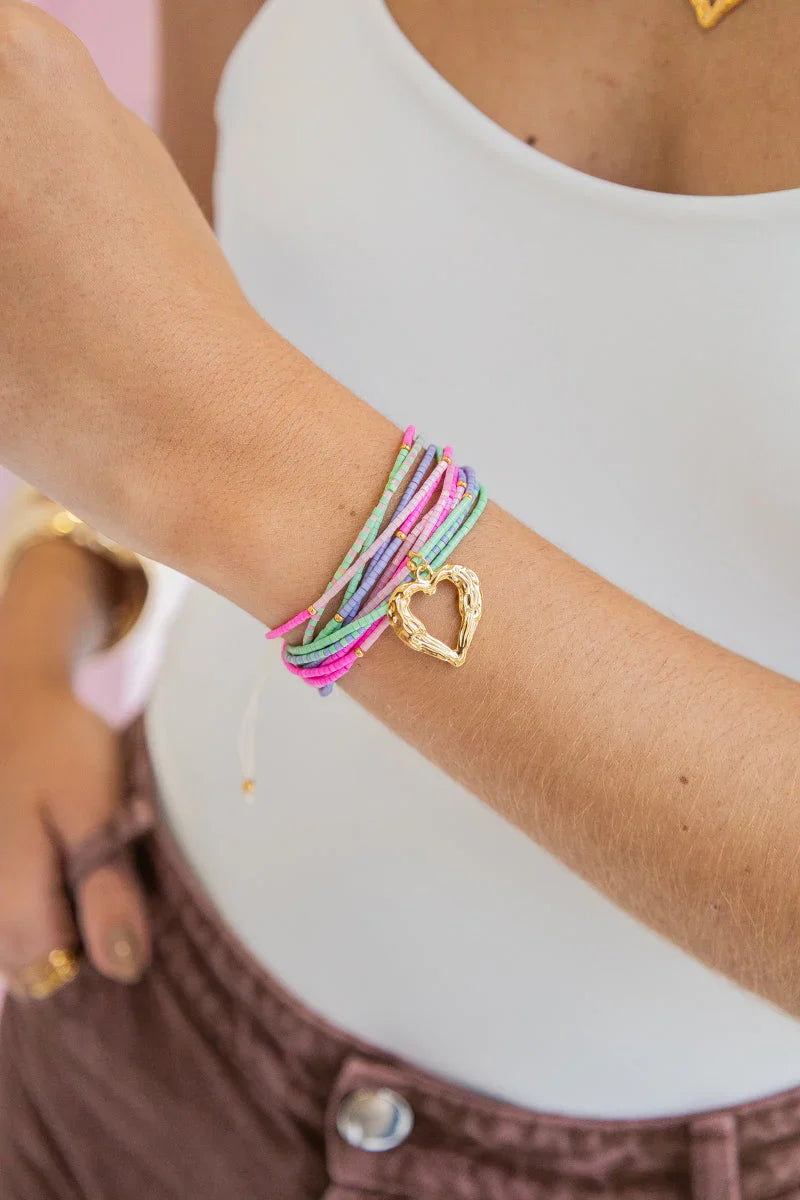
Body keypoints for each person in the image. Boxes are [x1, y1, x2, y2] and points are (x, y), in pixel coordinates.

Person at [2, 0, 800, 1194]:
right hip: (134, 1012)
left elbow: (198, 416)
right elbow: (171, 277)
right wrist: (47, 606)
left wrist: (257, 476)